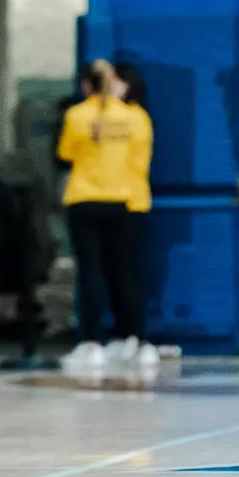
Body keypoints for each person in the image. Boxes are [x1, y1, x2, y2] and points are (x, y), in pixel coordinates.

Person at [57, 60, 155, 372]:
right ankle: (134, 339)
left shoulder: (76, 115)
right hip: (124, 200)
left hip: (85, 200)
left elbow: (66, 153)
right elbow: (141, 159)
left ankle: (91, 343)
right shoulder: (136, 117)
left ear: (86, 86)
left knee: (91, 273)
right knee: (124, 273)